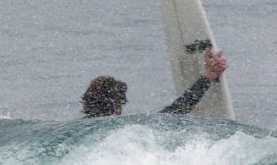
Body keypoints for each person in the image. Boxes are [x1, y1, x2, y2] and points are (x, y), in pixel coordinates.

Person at [82, 48, 228, 117]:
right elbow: (176, 110)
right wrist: (208, 76)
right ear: (118, 109)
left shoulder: (77, 131)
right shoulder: (127, 131)